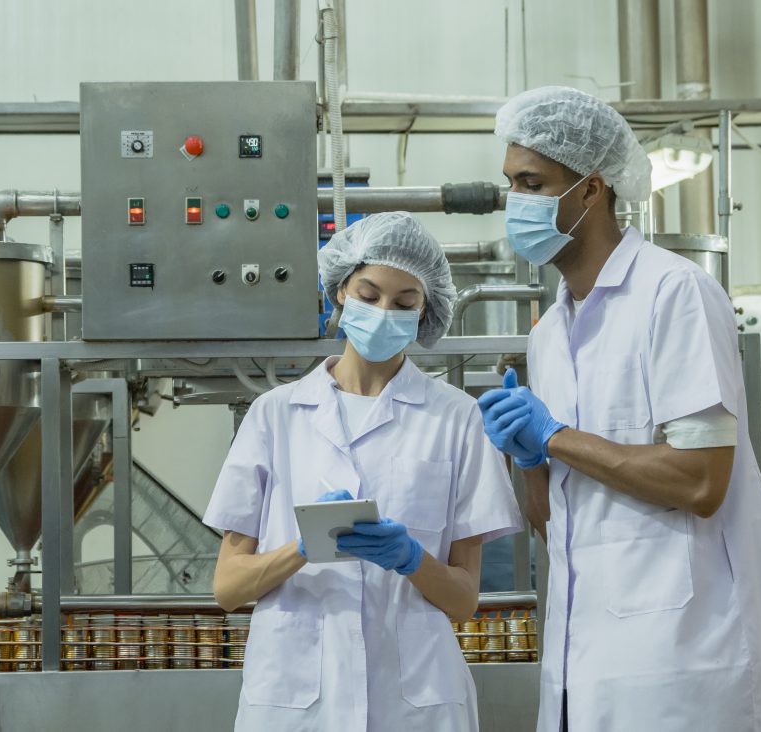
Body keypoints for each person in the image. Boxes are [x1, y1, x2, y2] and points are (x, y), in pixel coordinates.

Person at [478, 86, 761, 732]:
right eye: (509, 186)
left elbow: (701, 479)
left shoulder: (674, 294)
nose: (514, 204)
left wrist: (554, 437)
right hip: (586, 667)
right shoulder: (549, 333)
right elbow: (560, 522)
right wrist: (530, 463)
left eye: (531, 182)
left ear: (591, 190)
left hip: (683, 668)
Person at [203, 211, 523, 732]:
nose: (382, 311)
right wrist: (302, 549)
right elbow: (228, 588)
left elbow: (464, 600)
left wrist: (412, 559)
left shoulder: (455, 417)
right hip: (296, 701)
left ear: (426, 312)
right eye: (369, 294)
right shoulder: (275, 414)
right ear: (338, 295)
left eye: (404, 302)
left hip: (414, 702)